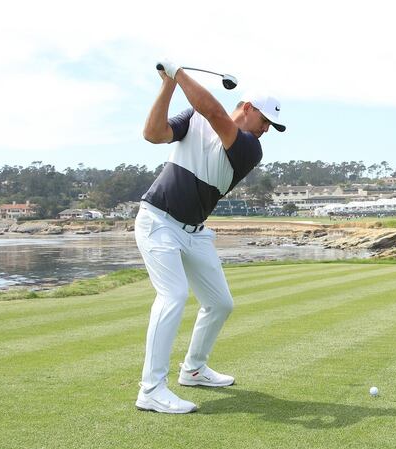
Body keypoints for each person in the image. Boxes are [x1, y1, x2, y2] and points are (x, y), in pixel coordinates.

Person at [134, 60, 285, 414]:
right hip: (158, 221)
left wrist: (179, 72)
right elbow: (153, 134)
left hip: (195, 233)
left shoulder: (250, 147)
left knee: (220, 303)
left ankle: (194, 369)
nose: (266, 130)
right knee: (172, 296)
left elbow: (217, 114)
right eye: (265, 121)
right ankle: (151, 390)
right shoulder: (193, 116)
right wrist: (168, 84)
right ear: (248, 108)